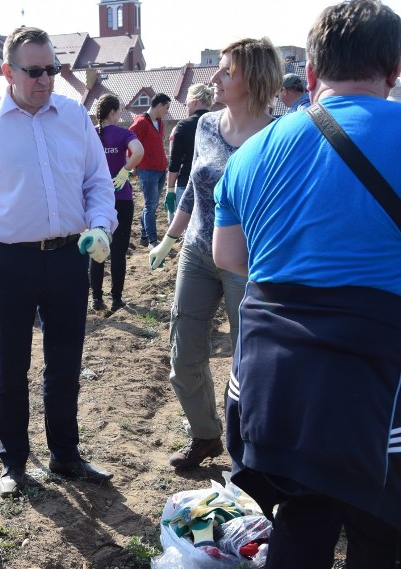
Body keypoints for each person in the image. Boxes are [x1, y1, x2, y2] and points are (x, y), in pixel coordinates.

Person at [213, 1, 401, 566]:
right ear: (393, 69)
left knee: (299, 519)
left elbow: (228, 255)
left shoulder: (251, 154)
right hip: (376, 386)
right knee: (381, 529)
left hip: (274, 384)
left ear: (312, 74)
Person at [0, 26, 118, 498]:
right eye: (35, 71)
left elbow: (97, 184)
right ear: (8, 73)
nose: (46, 80)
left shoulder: (74, 118)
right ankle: (14, 463)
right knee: (12, 366)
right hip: (11, 263)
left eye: (53, 70)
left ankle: (65, 454)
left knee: (65, 361)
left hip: (67, 257)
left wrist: (101, 225)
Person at [148, 37, 282, 469]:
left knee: (251, 363)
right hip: (199, 253)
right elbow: (193, 187)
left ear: (254, 78)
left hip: (250, 263)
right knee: (184, 353)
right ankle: (205, 434)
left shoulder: (278, 135)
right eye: (218, 68)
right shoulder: (206, 125)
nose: (216, 77)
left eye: (228, 70)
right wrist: (171, 237)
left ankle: (253, 452)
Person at [90, 93, 144, 312]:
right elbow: (139, 151)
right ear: (113, 112)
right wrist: (125, 171)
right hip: (121, 198)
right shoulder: (123, 133)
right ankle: (117, 299)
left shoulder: (91, 134)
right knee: (118, 250)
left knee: (97, 248)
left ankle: (96, 299)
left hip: (95, 200)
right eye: (119, 111)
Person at [165, 83, 213, 224]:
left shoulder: (184, 125)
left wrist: (170, 189)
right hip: (213, 184)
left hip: (187, 183)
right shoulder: (219, 122)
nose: (186, 107)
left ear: (194, 102)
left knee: (186, 231)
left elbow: (175, 162)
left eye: (187, 104)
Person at [129, 92, 171, 247]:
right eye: (166, 108)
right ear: (159, 105)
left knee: (151, 204)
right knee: (150, 205)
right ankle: (153, 241)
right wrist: (133, 165)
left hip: (160, 169)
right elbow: (130, 142)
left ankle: (144, 236)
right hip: (146, 170)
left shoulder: (159, 122)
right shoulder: (140, 122)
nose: (167, 111)